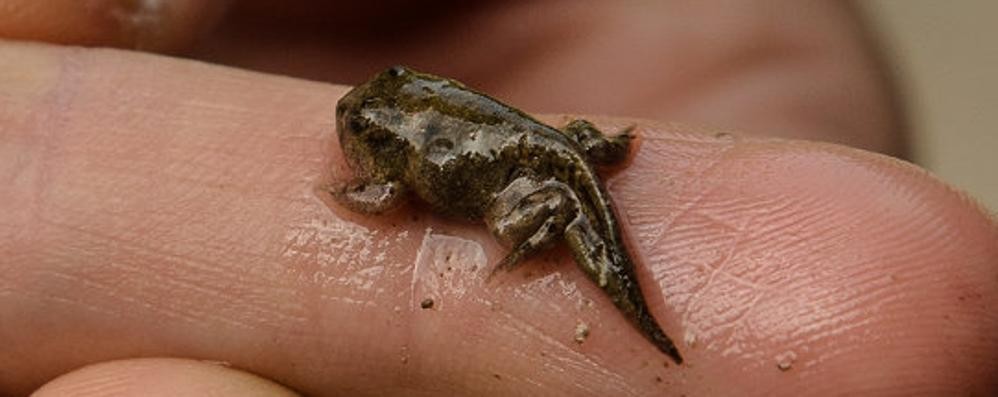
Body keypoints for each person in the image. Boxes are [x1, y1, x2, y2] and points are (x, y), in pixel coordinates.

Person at [2, 2, 995, 396]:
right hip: (550, 146)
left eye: (369, 127)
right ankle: (580, 180)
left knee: (557, 199)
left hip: (535, 171)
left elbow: (382, 201)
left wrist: (351, 192)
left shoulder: (390, 171)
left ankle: (552, 227)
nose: (357, 118)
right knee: (565, 157)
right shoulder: (421, 117)